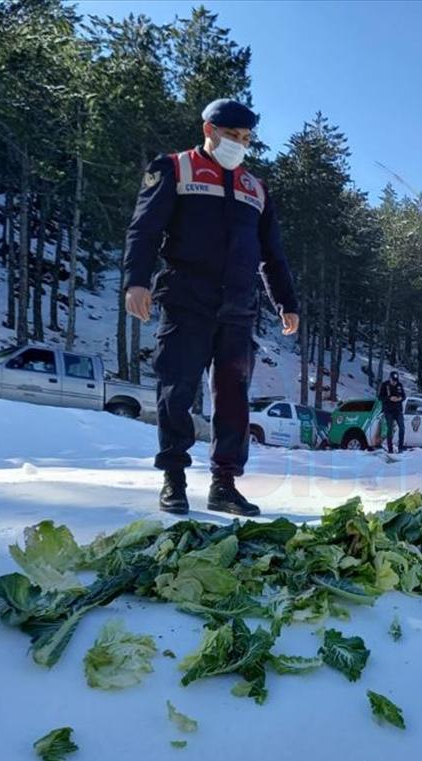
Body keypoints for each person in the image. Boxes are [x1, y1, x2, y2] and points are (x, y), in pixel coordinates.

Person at [124, 98, 299, 516]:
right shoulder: (174, 168)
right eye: (232, 136)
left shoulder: (255, 189)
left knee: (233, 398)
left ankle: (224, 483)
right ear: (209, 130)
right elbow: (144, 228)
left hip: (238, 307)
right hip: (187, 299)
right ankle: (174, 479)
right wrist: (136, 281)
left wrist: (286, 302)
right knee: (177, 389)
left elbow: (272, 254)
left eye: (246, 138)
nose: (239, 144)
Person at [377, 371, 407, 453]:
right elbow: (379, 397)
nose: (394, 382)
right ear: (390, 378)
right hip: (388, 410)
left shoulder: (399, 385)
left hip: (398, 410)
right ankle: (390, 449)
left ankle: (400, 447)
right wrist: (389, 398)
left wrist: (400, 398)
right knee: (389, 429)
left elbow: (404, 396)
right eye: (393, 380)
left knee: (402, 428)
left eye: (396, 380)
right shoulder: (384, 385)